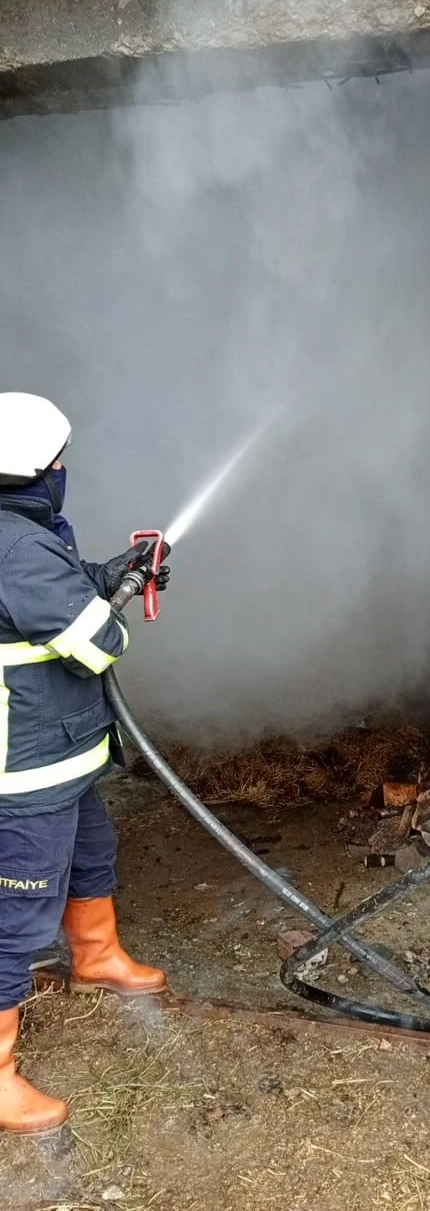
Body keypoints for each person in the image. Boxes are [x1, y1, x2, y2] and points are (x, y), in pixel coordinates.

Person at [0, 392, 170, 1136]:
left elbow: (49, 600)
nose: (65, 470)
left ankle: (96, 956)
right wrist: (116, 605)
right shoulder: (14, 547)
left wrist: (112, 575)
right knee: (16, 918)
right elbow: (96, 643)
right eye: (60, 461)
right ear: (39, 471)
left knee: (92, 854)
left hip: (61, 754)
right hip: (25, 769)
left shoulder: (25, 534)